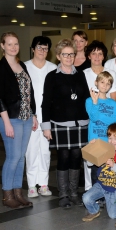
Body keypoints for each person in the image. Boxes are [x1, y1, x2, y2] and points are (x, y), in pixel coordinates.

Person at [41, 39, 90, 208]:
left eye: (71, 54)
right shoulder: (52, 77)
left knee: (77, 156)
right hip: (60, 124)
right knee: (63, 156)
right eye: (65, 54)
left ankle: (74, 193)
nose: (69, 57)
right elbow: (46, 103)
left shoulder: (80, 74)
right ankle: (63, 194)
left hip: (80, 123)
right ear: (58, 56)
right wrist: (46, 126)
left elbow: (86, 99)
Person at [0, 32, 38, 209]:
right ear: (2, 46)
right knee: (13, 157)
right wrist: (7, 122)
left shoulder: (22, 66)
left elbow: (29, 93)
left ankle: (18, 193)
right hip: (10, 118)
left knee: (21, 158)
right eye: (9, 44)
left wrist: (33, 114)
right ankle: (7, 195)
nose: (13, 47)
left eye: (16, 44)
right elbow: (0, 98)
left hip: (26, 118)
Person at [24, 36, 57, 198]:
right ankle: (31, 185)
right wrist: (31, 114)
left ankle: (43, 184)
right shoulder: (24, 67)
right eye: (39, 48)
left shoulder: (53, 68)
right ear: (32, 49)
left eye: (45, 49)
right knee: (31, 151)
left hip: (47, 117)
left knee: (45, 151)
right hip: (30, 116)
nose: (42, 51)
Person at [83, 40, 116, 189]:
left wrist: (114, 140)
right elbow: (94, 117)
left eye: (107, 84)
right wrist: (96, 103)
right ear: (96, 83)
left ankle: (106, 196)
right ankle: (95, 196)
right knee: (95, 171)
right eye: (101, 83)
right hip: (94, 140)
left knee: (107, 171)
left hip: (108, 141)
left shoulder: (113, 103)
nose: (104, 86)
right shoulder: (90, 101)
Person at [82, 123, 116, 221]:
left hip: (115, 189)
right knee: (86, 198)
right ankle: (94, 211)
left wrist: (113, 165)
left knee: (113, 215)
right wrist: (91, 148)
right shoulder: (104, 151)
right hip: (101, 185)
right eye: (110, 138)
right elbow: (89, 164)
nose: (112, 141)